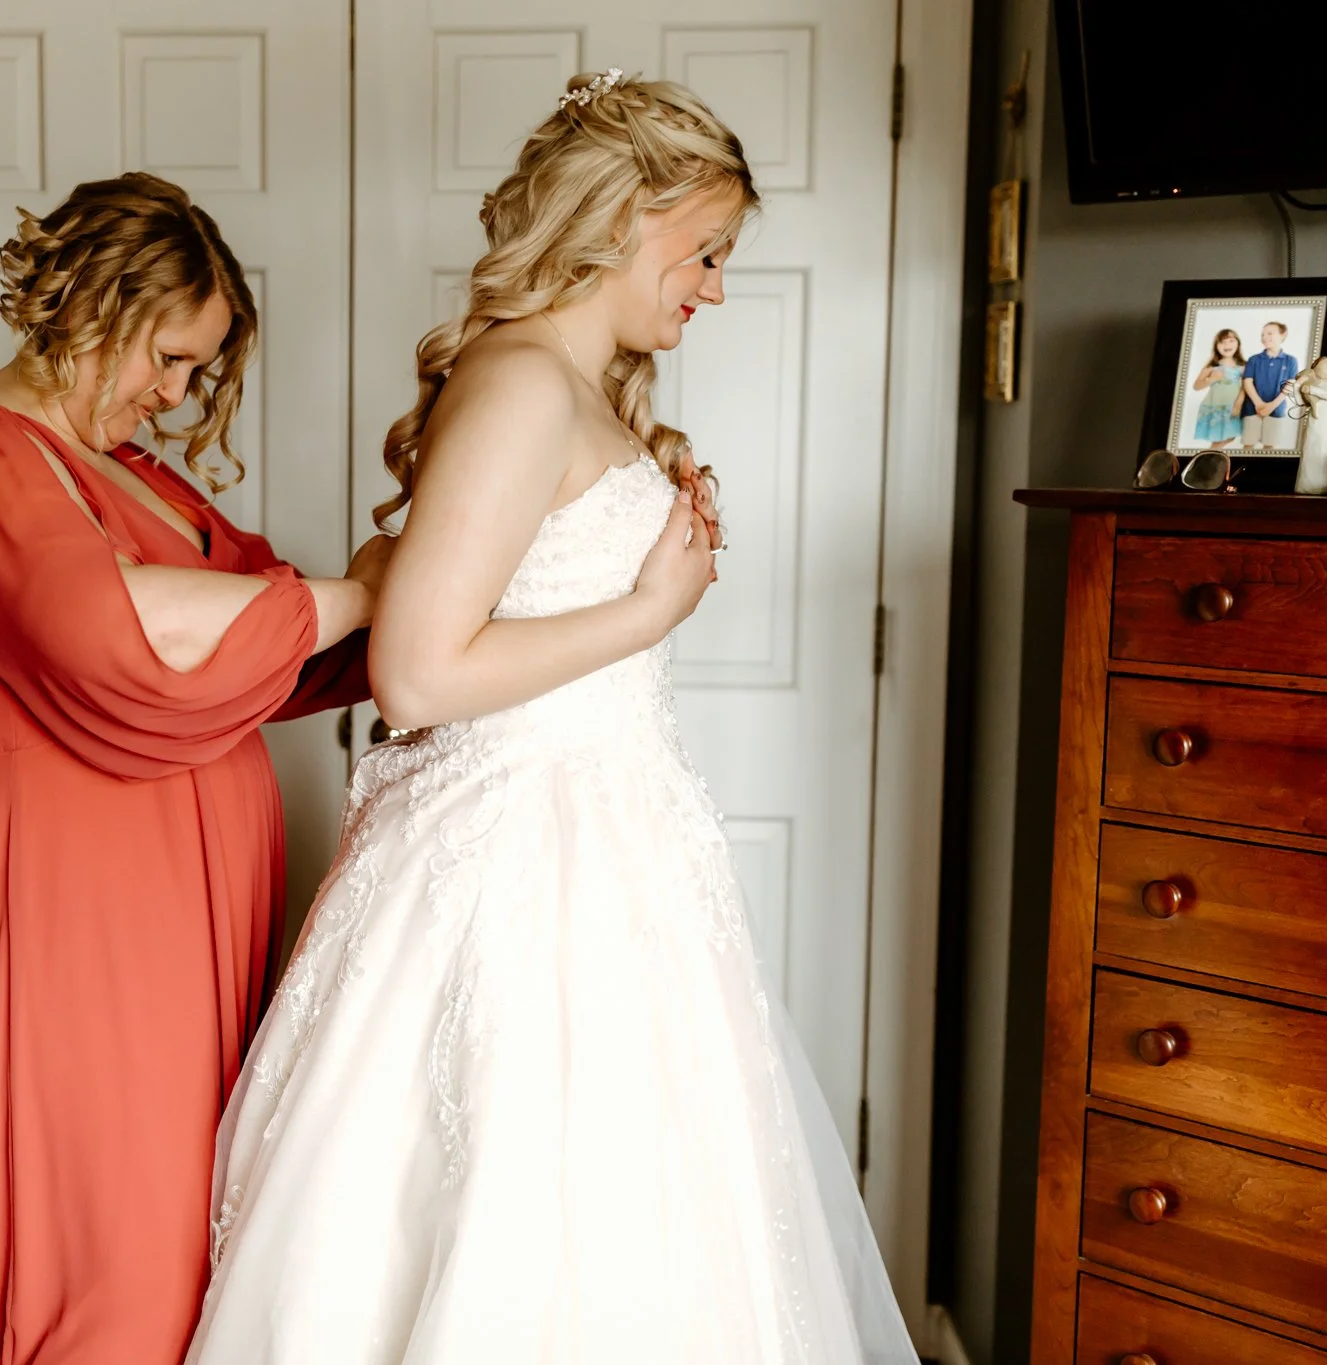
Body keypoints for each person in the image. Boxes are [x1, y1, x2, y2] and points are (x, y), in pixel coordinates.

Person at [188, 72, 916, 1362]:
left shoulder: (574, 388)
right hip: (520, 852)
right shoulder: (521, 381)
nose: (714, 285)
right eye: (707, 250)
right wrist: (645, 611)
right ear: (627, 216)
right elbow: (414, 673)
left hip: (609, 840)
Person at [0, 172, 387, 1365]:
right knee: (94, 1221)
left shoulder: (127, 471)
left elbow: (260, 636)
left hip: (166, 902)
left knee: (175, 1209)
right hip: (61, 889)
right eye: (166, 357)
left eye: (193, 371)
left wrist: (406, 604)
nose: (175, 395)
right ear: (92, 311)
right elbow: (124, 629)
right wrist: (360, 591)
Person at [1240, 320, 1301, 449]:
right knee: (1248, 445)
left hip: (1276, 410)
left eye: (1269, 333)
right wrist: (1259, 404)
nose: (1265, 337)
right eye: (1263, 334)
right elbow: (1247, 382)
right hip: (1252, 409)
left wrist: (1271, 406)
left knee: (1269, 446)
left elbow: (1290, 386)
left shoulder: (1291, 361)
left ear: (1282, 335)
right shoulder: (1254, 359)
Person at [1191, 327, 1246, 447]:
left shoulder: (1242, 366)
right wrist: (1211, 379)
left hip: (1232, 406)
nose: (1227, 344)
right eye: (1222, 341)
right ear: (1216, 345)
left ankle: (1211, 454)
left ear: (1238, 343)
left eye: (1231, 341)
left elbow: (1246, 386)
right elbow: (1196, 386)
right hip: (1214, 407)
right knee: (1217, 436)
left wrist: (1238, 404)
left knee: (1231, 435)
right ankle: (1210, 455)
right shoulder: (1212, 366)